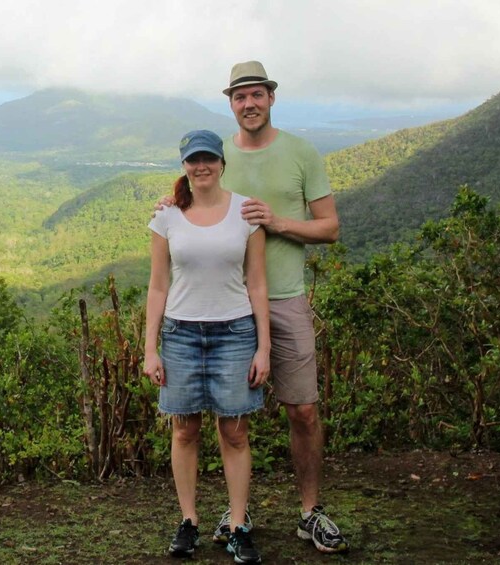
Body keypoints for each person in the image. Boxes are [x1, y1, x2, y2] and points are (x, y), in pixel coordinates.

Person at [156, 61, 349, 554]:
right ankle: (236, 513)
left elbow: (329, 227)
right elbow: (193, 199)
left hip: (282, 297)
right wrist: (170, 206)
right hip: (225, 310)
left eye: (257, 94)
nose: (249, 104)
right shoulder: (219, 156)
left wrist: (278, 221)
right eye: (240, 96)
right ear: (231, 103)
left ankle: (309, 511)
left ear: (271, 98)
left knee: (302, 409)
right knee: (232, 418)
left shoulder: (301, 152)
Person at [144, 129, 270, 563]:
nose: (202, 167)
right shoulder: (167, 217)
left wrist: (264, 348)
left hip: (235, 334)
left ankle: (238, 525)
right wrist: (150, 348)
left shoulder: (245, 213)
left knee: (234, 433)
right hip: (180, 334)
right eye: (193, 160)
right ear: (184, 165)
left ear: (221, 163)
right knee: (184, 430)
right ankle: (189, 520)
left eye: (209, 159)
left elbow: (257, 283)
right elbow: (158, 286)